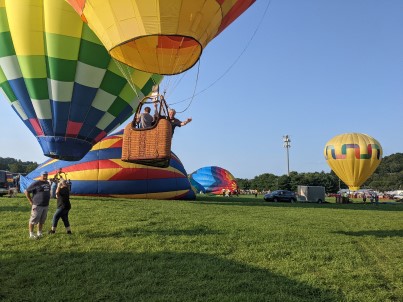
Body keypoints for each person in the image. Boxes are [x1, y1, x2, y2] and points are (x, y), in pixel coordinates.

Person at [24, 171, 51, 239]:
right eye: (44, 175)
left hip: (45, 205)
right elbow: (26, 191)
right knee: (33, 220)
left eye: (46, 175)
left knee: (42, 220)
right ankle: (31, 234)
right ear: (41, 175)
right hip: (37, 205)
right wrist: (30, 201)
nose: (45, 176)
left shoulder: (47, 183)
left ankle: (39, 232)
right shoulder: (36, 183)